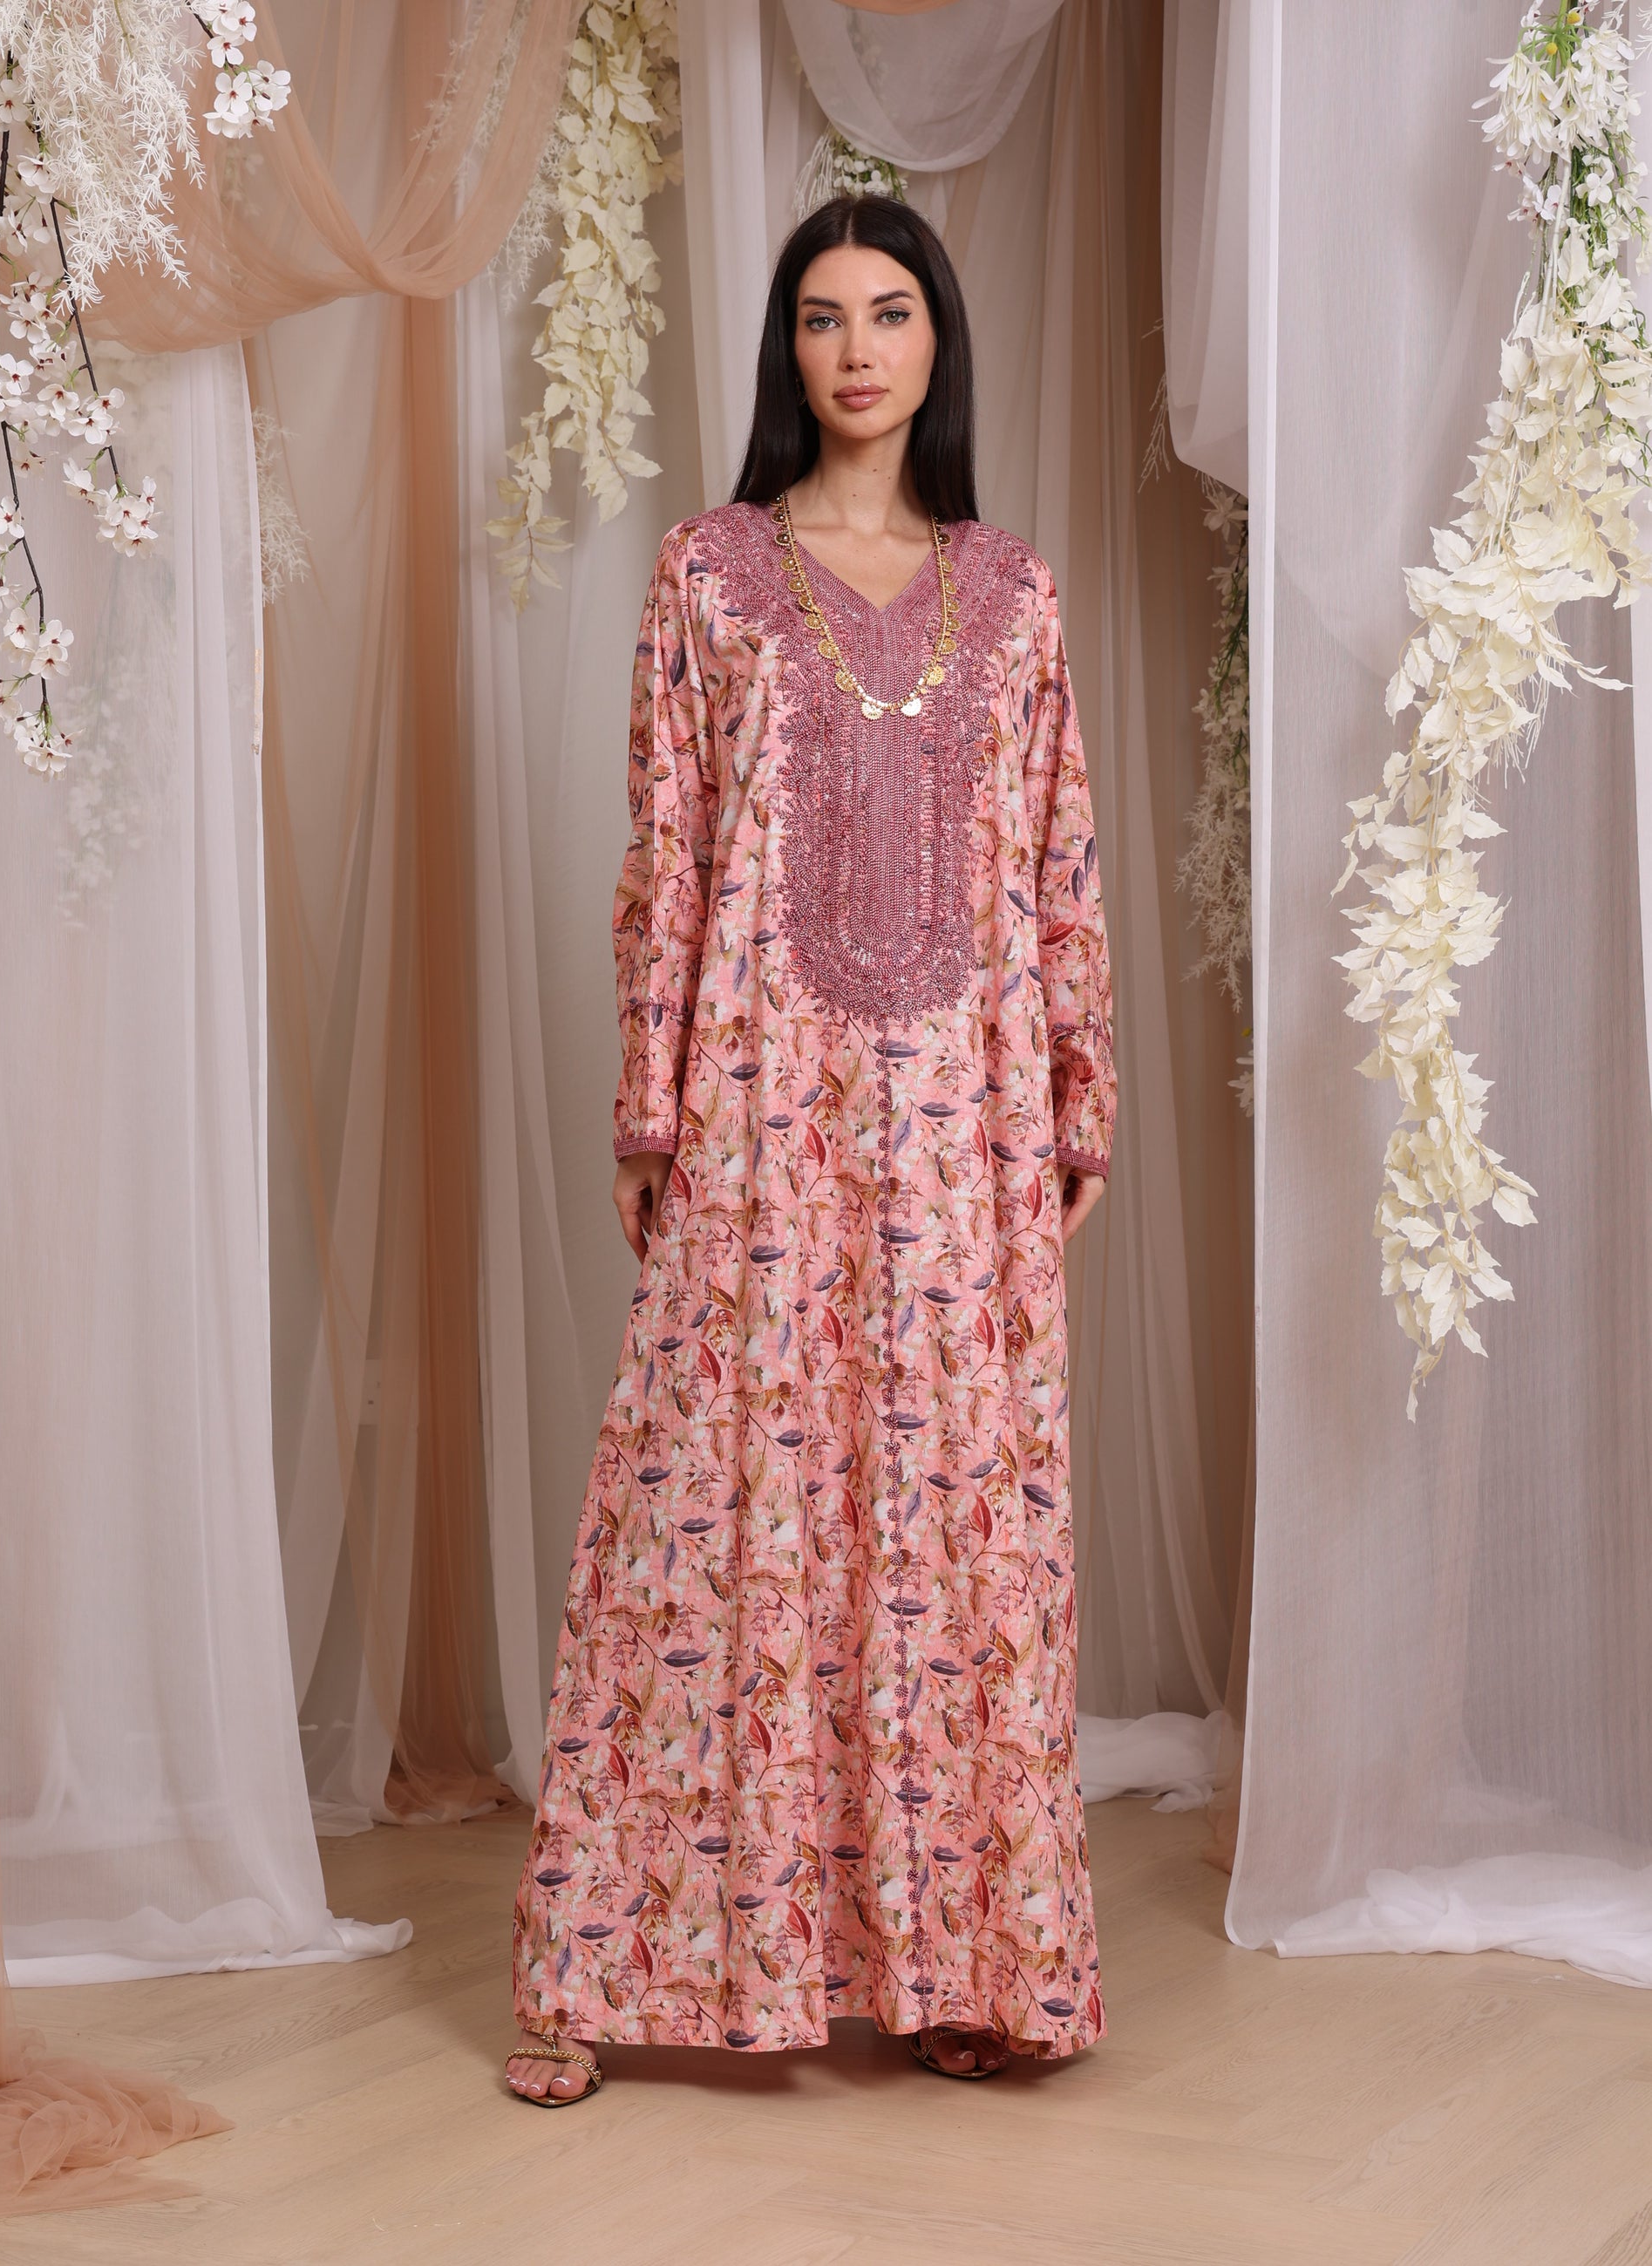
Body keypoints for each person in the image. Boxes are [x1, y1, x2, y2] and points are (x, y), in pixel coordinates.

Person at [506, 192, 1115, 2106]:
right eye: (824, 316)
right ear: (787, 349)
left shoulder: (1011, 592)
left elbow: (1056, 850)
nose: (858, 348)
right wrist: (649, 1097)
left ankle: (952, 1962)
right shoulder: (708, 573)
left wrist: (1076, 1083)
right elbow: (668, 854)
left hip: (962, 1118)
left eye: (891, 312)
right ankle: (603, 1962)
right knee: (711, 1505)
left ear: (938, 343)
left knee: (949, 1510)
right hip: (760, 1103)